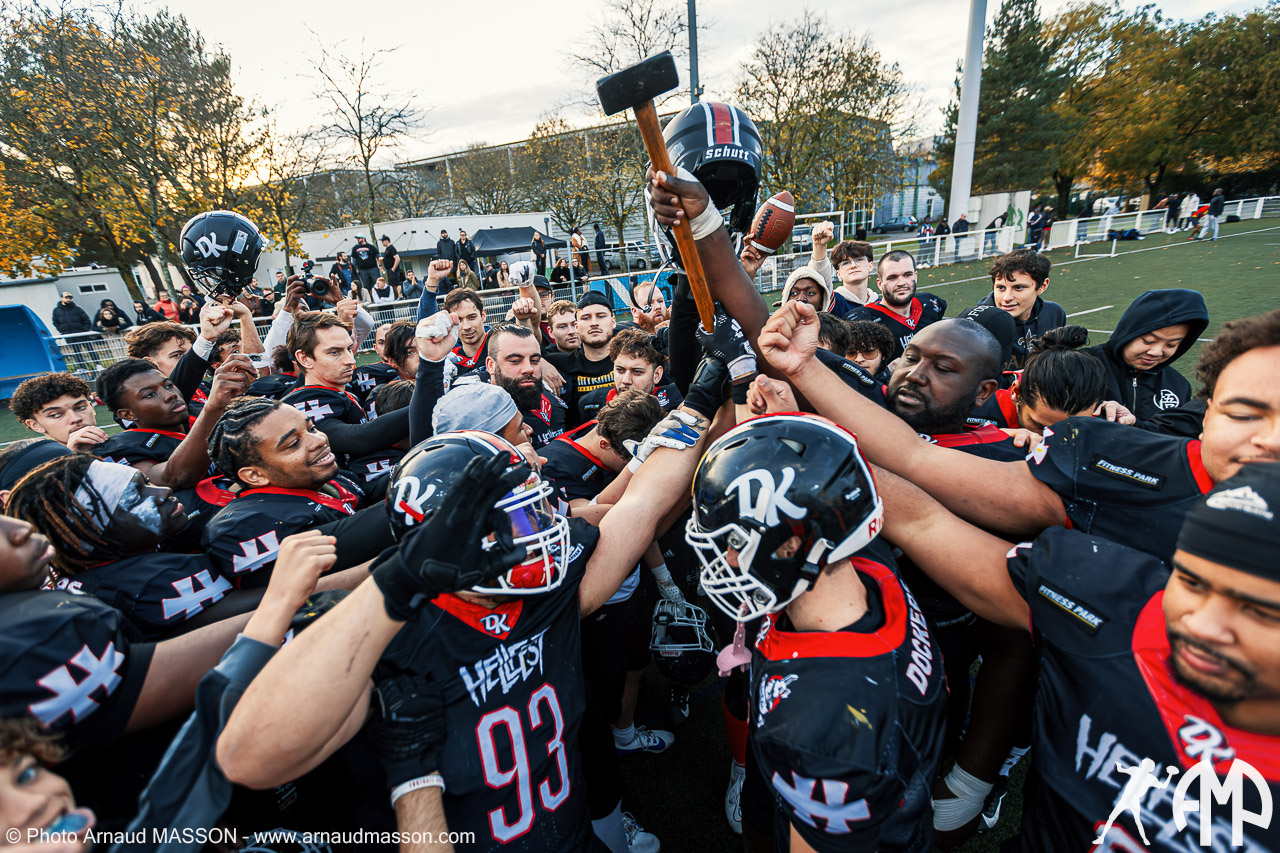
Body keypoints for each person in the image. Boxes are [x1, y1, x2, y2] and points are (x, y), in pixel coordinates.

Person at [215, 400, 717, 852]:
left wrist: (697, 405)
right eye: (519, 521)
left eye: (535, 510)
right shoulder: (382, 640)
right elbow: (250, 758)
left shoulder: (549, 591)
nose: (541, 531)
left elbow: (644, 504)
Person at [871, 457, 1280, 850]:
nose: (1203, 625)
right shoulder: (1118, 607)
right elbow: (924, 522)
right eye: (1190, 581)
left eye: (1261, 610)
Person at [685, 413, 947, 852]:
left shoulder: (822, 726)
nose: (726, 559)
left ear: (790, 545)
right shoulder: (865, 566)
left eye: (734, 540)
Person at [202, 397, 395, 588]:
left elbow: (368, 495)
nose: (319, 440)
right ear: (255, 475)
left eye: (312, 428)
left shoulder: (315, 477)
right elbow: (358, 535)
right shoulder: (243, 526)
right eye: (293, 443)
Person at [94, 355, 253, 490]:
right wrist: (212, 409)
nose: (170, 395)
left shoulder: (197, 415)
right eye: (150, 395)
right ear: (128, 414)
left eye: (169, 385)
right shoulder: (124, 447)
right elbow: (173, 478)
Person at [280, 309, 411, 474]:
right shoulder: (301, 402)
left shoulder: (343, 391)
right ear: (305, 359)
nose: (350, 360)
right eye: (334, 352)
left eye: (349, 349)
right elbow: (359, 439)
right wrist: (429, 399)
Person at [1082, 289, 1208, 426]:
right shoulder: (1081, 366)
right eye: (1148, 341)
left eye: (1171, 344)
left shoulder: (1178, 385)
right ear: (1128, 332)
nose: (1156, 352)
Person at [846, 250, 947, 362]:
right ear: (880, 284)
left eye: (907, 275)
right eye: (892, 278)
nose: (901, 283)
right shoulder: (861, 319)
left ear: (915, 276)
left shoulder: (930, 303)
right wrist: (885, 371)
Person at [975, 249, 1067, 370]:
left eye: (1018, 287)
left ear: (1042, 286)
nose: (1007, 298)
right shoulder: (979, 324)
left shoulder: (1054, 313)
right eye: (1001, 288)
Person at [543, 292, 618, 427]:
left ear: (613, 322)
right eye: (586, 318)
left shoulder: (630, 359)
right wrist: (540, 363)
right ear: (577, 327)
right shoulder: (559, 363)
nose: (594, 323)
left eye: (601, 316)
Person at [578, 328, 682, 423]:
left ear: (657, 374)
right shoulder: (590, 403)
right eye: (620, 370)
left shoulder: (675, 397)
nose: (626, 380)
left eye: (637, 372)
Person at [846, 320, 896, 384]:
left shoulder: (895, 387)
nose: (859, 359)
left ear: (883, 355)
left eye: (868, 352)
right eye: (851, 353)